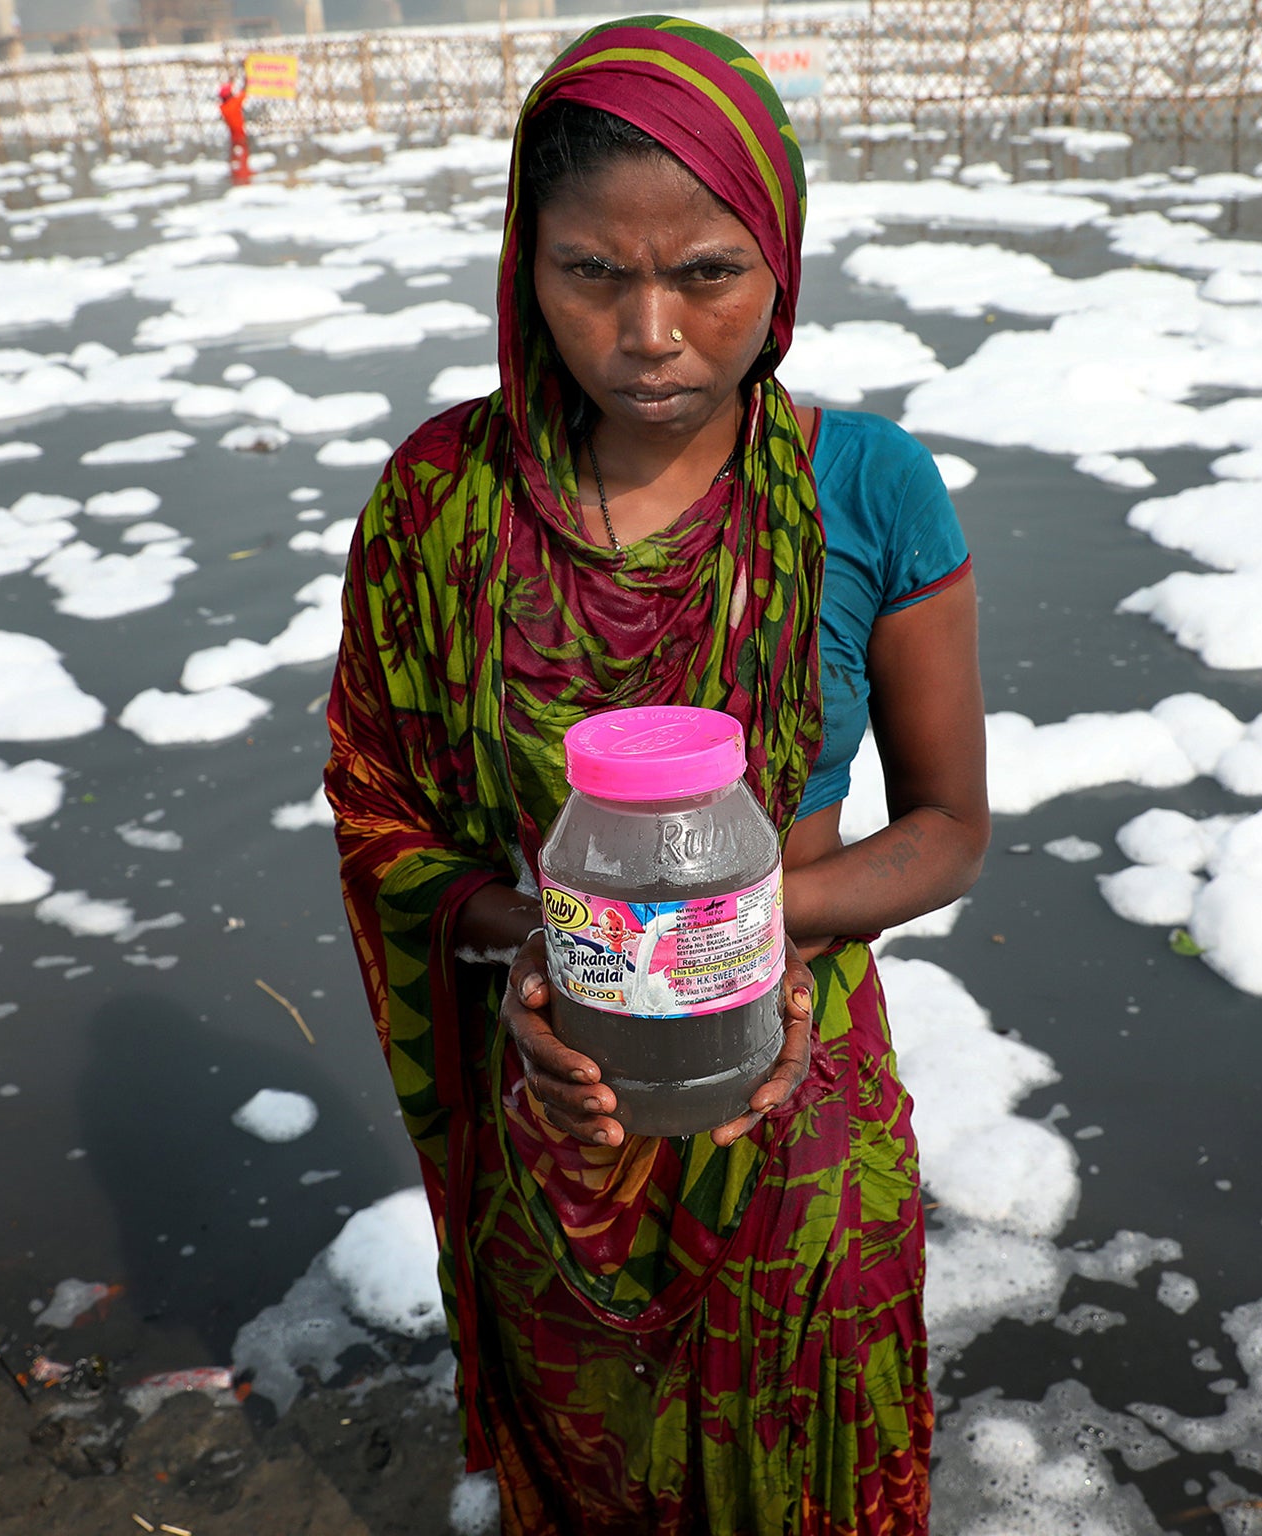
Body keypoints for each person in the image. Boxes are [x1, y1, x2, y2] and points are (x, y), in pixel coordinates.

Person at [323, 15, 988, 1533]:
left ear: (781, 265)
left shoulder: (864, 485)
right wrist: (554, 962)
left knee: (806, 1466)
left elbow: (948, 828)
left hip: (795, 1091)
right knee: (600, 1474)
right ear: (524, 265)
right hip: (560, 1112)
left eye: (706, 272)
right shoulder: (443, 498)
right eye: (590, 273)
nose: (649, 334)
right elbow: (385, 818)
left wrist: (756, 940)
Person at [217, 78, 250, 184]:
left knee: (235, 157)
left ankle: (236, 174)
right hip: (240, 136)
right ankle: (242, 175)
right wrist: (247, 82)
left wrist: (231, 80)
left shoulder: (223, 107)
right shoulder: (233, 104)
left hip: (233, 137)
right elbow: (244, 94)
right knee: (242, 158)